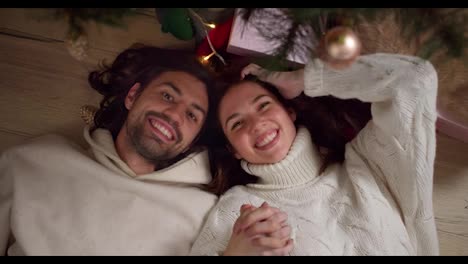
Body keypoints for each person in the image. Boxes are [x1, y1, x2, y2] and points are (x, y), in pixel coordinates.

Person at [190, 53, 439, 255]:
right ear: (233, 149)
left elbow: (416, 78)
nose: (256, 124)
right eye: (237, 124)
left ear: (289, 112)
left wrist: (304, 80)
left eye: (263, 105)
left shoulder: (367, 160)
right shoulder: (239, 209)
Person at [0, 44, 220, 255]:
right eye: (167, 96)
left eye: (192, 115)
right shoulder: (35, 160)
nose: (174, 114)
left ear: (192, 141)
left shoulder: (206, 213)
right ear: (133, 96)